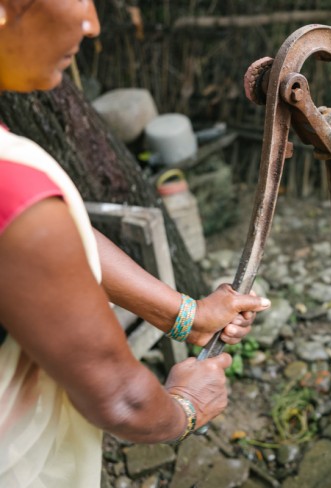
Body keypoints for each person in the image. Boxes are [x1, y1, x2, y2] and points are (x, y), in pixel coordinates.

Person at [0, 1, 271, 486]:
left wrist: (186, 314)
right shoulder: (12, 186)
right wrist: (186, 407)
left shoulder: (21, 194)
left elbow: (61, 238)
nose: (93, 23)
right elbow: (122, 399)